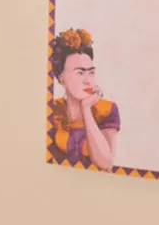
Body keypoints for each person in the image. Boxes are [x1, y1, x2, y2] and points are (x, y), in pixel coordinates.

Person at [49, 28, 120, 170]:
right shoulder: (52, 109)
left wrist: (86, 109)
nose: (88, 80)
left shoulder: (106, 110)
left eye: (91, 72)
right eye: (80, 73)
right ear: (61, 78)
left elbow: (106, 163)